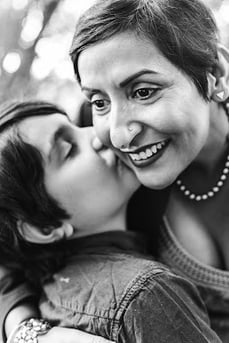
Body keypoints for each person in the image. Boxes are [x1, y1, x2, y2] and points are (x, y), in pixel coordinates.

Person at [68, 0, 229, 342]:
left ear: (215, 74)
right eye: (99, 102)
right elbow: (18, 227)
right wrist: (27, 329)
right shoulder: (95, 150)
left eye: (143, 92)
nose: (119, 134)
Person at [0, 100, 221, 343]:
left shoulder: (58, 289)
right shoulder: (148, 294)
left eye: (77, 127)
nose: (98, 135)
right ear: (43, 228)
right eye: (69, 149)